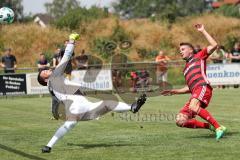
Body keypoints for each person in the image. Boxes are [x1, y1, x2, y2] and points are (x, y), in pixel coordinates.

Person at [37, 33, 147, 153]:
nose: (46, 70)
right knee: (71, 123)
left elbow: (54, 104)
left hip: (84, 108)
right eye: (44, 73)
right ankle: (48, 146)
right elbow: (66, 57)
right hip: (76, 106)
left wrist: (55, 114)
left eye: (46, 70)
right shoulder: (54, 76)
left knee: (106, 105)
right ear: (45, 80)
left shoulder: (52, 85)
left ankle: (132, 107)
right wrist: (71, 41)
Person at [161, 24, 226, 140]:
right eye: (179, 50)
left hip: (203, 88)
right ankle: (209, 126)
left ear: (191, 50)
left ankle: (218, 127)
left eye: (182, 49)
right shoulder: (185, 69)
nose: (180, 52)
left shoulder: (199, 56)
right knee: (180, 120)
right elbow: (189, 88)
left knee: (193, 106)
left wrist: (203, 31)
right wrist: (174, 91)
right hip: (195, 92)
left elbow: (214, 45)